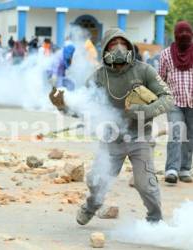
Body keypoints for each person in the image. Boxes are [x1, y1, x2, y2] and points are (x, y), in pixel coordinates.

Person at [51, 28, 173, 224]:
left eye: (122, 44)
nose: (118, 49)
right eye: (113, 44)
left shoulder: (144, 70)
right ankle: (91, 207)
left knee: (146, 185)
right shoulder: (98, 77)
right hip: (111, 140)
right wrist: (63, 106)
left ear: (129, 47)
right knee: (97, 182)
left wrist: (143, 111)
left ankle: (155, 220)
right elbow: (83, 109)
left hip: (140, 137)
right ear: (105, 49)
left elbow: (167, 98)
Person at [159, 21, 193, 184]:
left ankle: (185, 169)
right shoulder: (166, 54)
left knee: (190, 136)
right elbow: (160, 78)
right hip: (174, 102)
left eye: (187, 32)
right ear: (175, 35)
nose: (184, 36)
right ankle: (171, 169)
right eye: (182, 33)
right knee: (176, 133)